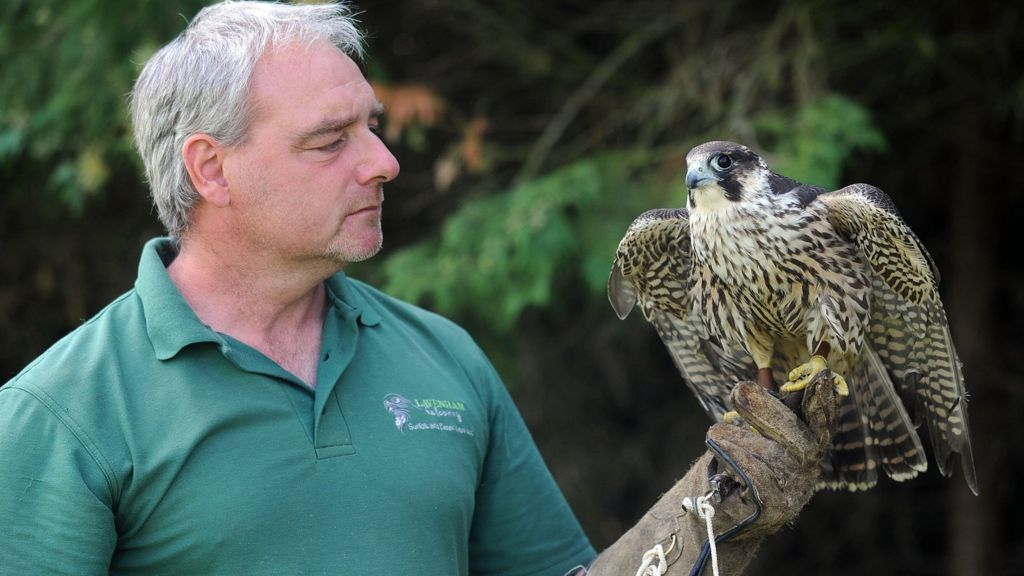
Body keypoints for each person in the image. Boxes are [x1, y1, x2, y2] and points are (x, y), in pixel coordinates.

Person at [0, 2, 840, 574]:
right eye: (331, 140)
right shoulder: (64, 411)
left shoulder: (442, 360)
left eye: (374, 125)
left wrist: (708, 520)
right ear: (211, 169)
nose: (385, 162)